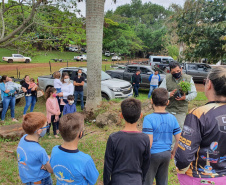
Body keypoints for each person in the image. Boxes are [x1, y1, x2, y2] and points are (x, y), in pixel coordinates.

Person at [175, 67, 226, 185]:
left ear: (209, 84)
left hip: (200, 177)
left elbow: (183, 157)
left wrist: (179, 168)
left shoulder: (199, 114)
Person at [103, 98, 151, 185]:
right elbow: (146, 164)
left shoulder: (113, 138)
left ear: (121, 115)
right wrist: (142, 181)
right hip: (137, 180)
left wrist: (106, 183)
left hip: (117, 181)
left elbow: (107, 165)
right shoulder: (145, 139)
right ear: (140, 115)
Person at [142, 88, 181, 185]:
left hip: (152, 155)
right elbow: (179, 139)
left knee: (147, 181)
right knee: (163, 181)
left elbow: (149, 142)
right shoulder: (172, 118)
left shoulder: (148, 119)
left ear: (151, 101)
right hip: (166, 154)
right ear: (167, 102)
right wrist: (173, 152)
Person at [50, 113, 99, 185]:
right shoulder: (85, 160)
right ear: (80, 134)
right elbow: (93, 180)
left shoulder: (54, 150)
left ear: (60, 132)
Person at [17, 112, 53, 185]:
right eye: (46, 126)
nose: (47, 128)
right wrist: (48, 159)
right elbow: (51, 170)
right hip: (41, 180)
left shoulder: (23, 138)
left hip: (27, 177)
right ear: (39, 131)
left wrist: (44, 160)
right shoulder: (40, 151)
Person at [159, 62, 197, 128]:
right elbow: (160, 92)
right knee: (166, 128)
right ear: (170, 72)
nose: (176, 73)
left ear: (181, 69)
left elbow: (194, 93)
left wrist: (185, 97)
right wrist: (168, 94)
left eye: (178, 71)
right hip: (168, 109)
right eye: (173, 72)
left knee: (178, 129)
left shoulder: (188, 78)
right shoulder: (167, 78)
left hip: (181, 110)